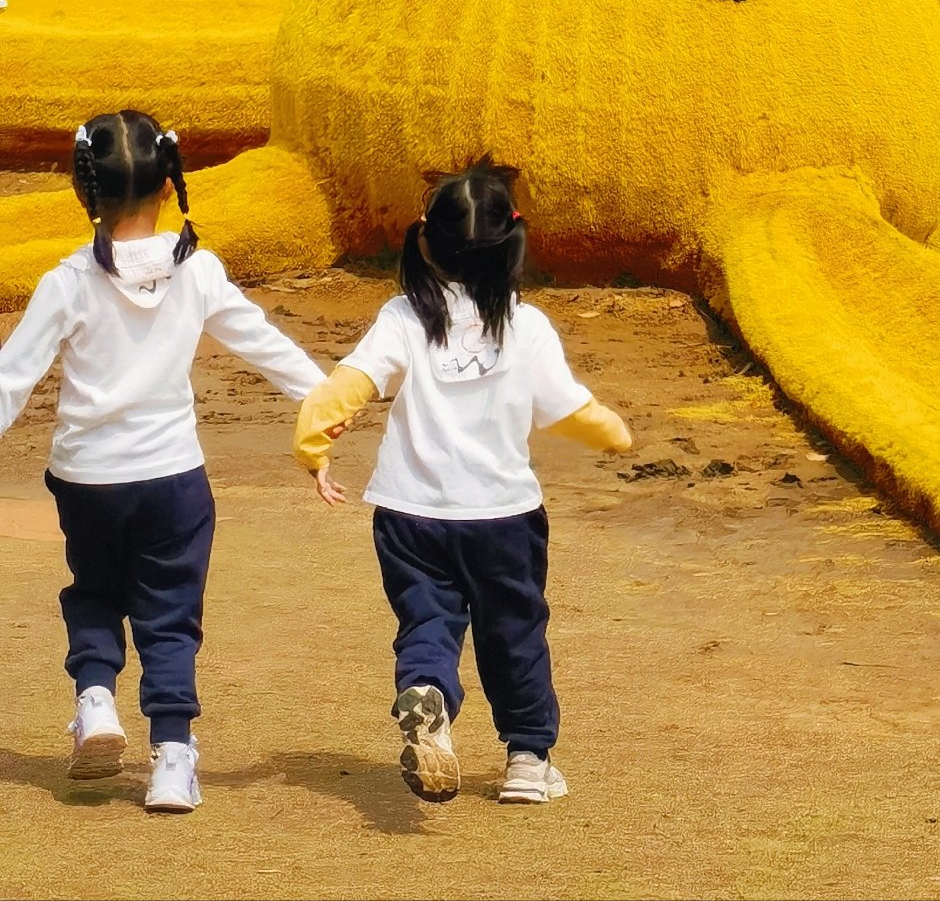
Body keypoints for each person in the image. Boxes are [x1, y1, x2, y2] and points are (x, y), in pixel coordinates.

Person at [0, 110, 328, 813]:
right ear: (169, 181)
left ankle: (96, 701)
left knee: (93, 590)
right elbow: (264, 344)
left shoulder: (66, 280)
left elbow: (10, 378)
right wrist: (325, 404)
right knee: (169, 615)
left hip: (87, 478)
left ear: (86, 191)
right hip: (173, 479)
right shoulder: (200, 271)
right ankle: (172, 759)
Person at [295, 162, 631, 806]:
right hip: (503, 515)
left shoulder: (402, 315)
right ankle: (529, 758)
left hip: (408, 512)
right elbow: (568, 409)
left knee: (427, 619)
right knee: (514, 632)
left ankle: (428, 693)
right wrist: (613, 433)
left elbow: (348, 387)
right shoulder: (525, 325)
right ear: (514, 239)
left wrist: (312, 444)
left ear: (426, 240)